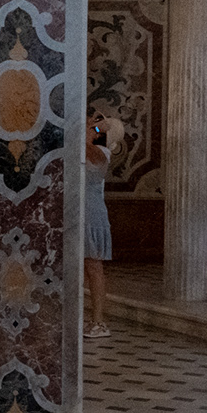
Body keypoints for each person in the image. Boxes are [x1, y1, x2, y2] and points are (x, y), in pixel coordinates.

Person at [84, 108, 121, 338]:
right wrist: (93, 126)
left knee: (94, 267)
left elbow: (93, 136)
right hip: (76, 213)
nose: (94, 123)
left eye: (98, 125)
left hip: (92, 215)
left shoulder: (103, 154)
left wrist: (96, 126)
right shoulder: (84, 143)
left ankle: (98, 321)